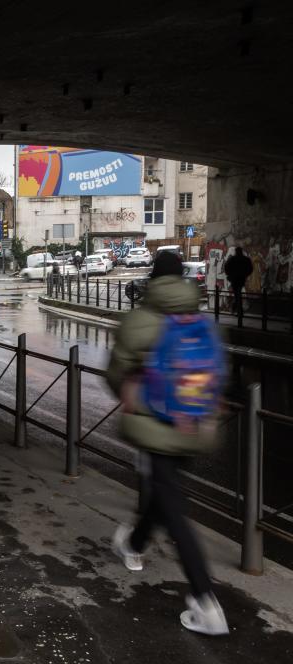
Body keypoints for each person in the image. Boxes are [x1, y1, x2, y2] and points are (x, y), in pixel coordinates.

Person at [106, 251, 229, 636]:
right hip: (194, 425)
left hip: (154, 423)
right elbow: (219, 373)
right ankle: (135, 544)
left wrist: (136, 395)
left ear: (153, 278)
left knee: (174, 509)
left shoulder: (139, 321)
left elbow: (115, 375)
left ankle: (205, 600)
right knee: (165, 493)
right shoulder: (204, 323)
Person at [224, 247, 253, 315]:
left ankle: (236, 309)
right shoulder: (246, 259)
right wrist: (245, 275)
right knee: (238, 294)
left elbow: (226, 268)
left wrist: (230, 275)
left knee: (237, 294)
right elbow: (250, 269)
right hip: (241, 279)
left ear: (236, 252)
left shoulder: (232, 259)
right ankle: (238, 310)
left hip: (234, 280)